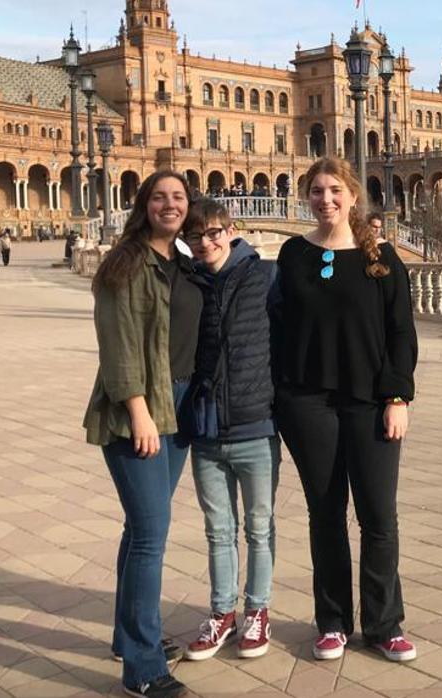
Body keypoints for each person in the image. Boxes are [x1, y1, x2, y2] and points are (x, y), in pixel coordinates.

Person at [275, 156, 419, 663]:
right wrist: (280, 398)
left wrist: (398, 396)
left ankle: (384, 624)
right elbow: (275, 326)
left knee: (379, 515)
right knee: (326, 516)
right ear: (306, 198)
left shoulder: (381, 257)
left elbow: (401, 332)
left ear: (353, 196)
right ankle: (333, 622)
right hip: (308, 404)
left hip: (371, 404)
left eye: (335, 189)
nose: (325, 199)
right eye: (316, 190)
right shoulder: (292, 254)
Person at [81, 170, 201, 698]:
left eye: (178, 197)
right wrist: (139, 411)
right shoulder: (124, 264)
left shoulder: (184, 262)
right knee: (151, 534)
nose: (169, 205)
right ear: (143, 204)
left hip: (180, 404)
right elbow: (117, 345)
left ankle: (125, 638)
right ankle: (144, 668)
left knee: (140, 530)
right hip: (142, 409)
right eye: (159, 197)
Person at [179, 198, 283, 663]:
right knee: (218, 529)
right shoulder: (188, 283)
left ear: (232, 230)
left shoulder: (266, 278)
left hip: (255, 425)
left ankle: (257, 611)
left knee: (258, 527)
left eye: (214, 232)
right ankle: (223, 613)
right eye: (196, 235)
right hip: (206, 431)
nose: (206, 243)